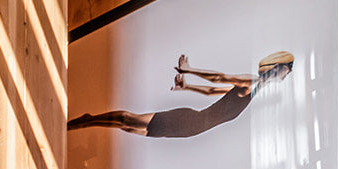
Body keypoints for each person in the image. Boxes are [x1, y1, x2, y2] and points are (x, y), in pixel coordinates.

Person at [68, 51, 295, 137]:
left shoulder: (252, 91)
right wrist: (189, 70)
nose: (286, 75)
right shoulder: (250, 81)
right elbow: (220, 78)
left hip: (191, 129)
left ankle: (90, 121)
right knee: (129, 120)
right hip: (190, 120)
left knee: (128, 126)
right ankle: (88, 121)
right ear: (277, 66)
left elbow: (213, 91)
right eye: (286, 69)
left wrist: (186, 86)